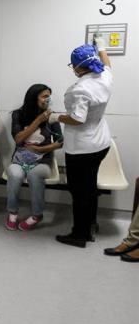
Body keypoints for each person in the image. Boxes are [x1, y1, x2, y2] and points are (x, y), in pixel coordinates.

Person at [53, 35, 112, 248]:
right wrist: (102, 46)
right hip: (101, 144)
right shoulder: (104, 76)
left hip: (82, 148)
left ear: (77, 67)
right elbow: (107, 63)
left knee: (79, 191)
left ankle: (79, 235)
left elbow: (77, 119)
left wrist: (56, 117)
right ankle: (91, 224)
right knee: (90, 187)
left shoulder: (80, 89)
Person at [5, 84, 63, 231]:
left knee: (34, 175)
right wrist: (38, 120)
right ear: (33, 97)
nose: (47, 99)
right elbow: (18, 140)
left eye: (49, 96)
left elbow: (60, 142)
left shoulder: (52, 116)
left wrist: (41, 149)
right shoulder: (18, 114)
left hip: (42, 160)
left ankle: (37, 215)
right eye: (44, 96)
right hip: (20, 159)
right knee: (14, 174)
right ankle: (12, 212)